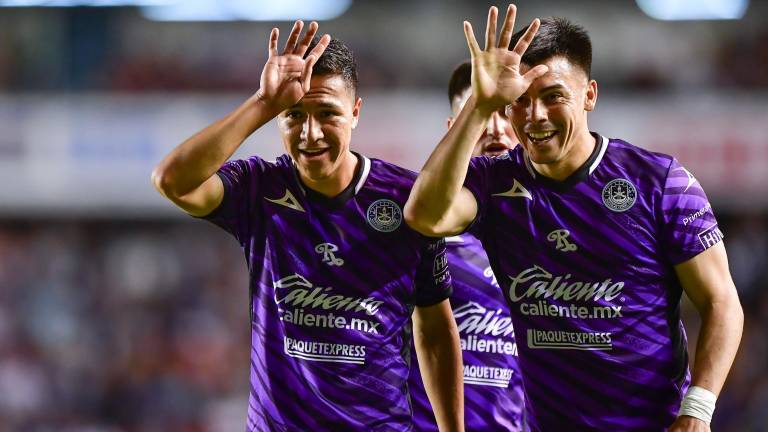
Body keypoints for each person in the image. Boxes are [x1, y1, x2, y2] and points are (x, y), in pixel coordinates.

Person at [405, 5, 743, 431]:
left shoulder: (661, 182)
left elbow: (722, 302)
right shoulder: (493, 183)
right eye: (520, 102)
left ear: (590, 95)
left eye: (553, 97)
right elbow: (424, 217)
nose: (535, 116)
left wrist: (698, 409)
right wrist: (479, 105)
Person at [151, 21, 464, 431]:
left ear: (355, 113)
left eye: (327, 114)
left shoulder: (408, 200)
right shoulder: (260, 189)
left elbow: (437, 331)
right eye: (294, 115)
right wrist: (263, 102)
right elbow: (172, 180)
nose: (309, 133)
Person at [407, 60, 525, 431]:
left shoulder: (550, 237)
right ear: (453, 130)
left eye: (505, 111)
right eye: (477, 114)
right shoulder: (419, 235)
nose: (494, 129)